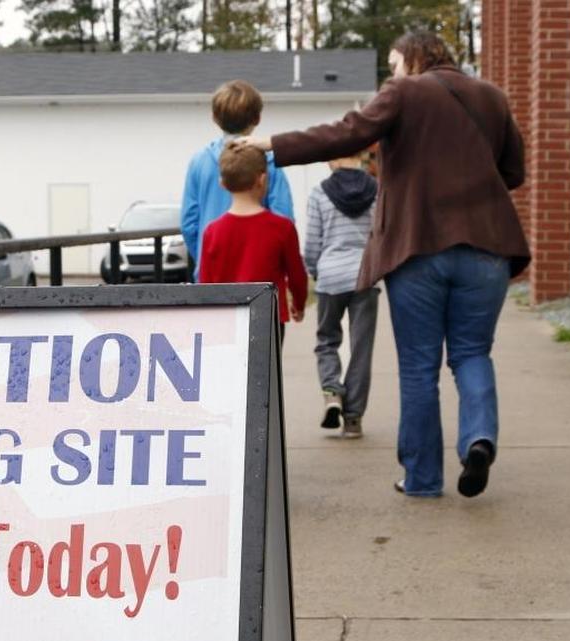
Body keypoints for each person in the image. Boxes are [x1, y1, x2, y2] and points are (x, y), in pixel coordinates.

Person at [248, 31, 530, 498]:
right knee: (472, 354)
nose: (392, 73)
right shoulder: (492, 96)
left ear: (415, 59)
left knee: (419, 368)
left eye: (395, 62)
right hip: (487, 250)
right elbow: (514, 172)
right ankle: (479, 439)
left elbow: (346, 133)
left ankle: (422, 479)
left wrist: (270, 144)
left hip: (419, 248)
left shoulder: (405, 92)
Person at [181, 80, 294, 281]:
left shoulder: (199, 162)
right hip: (261, 276)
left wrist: (205, 256)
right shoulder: (269, 163)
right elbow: (284, 219)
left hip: (212, 274)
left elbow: (189, 224)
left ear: (214, 118)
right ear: (257, 118)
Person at [198, 141, 307, 338]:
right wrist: (298, 304)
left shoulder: (211, 232)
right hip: (269, 318)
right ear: (262, 179)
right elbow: (297, 275)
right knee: (267, 369)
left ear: (222, 183)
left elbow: (206, 284)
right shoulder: (283, 228)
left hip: (226, 321)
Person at [304, 152, 379, 439]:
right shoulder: (377, 190)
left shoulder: (319, 193)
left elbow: (312, 241)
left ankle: (332, 391)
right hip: (364, 275)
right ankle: (353, 419)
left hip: (331, 276)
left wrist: (315, 269)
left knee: (327, 340)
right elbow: (381, 234)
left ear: (331, 161)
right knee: (361, 348)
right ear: (361, 156)